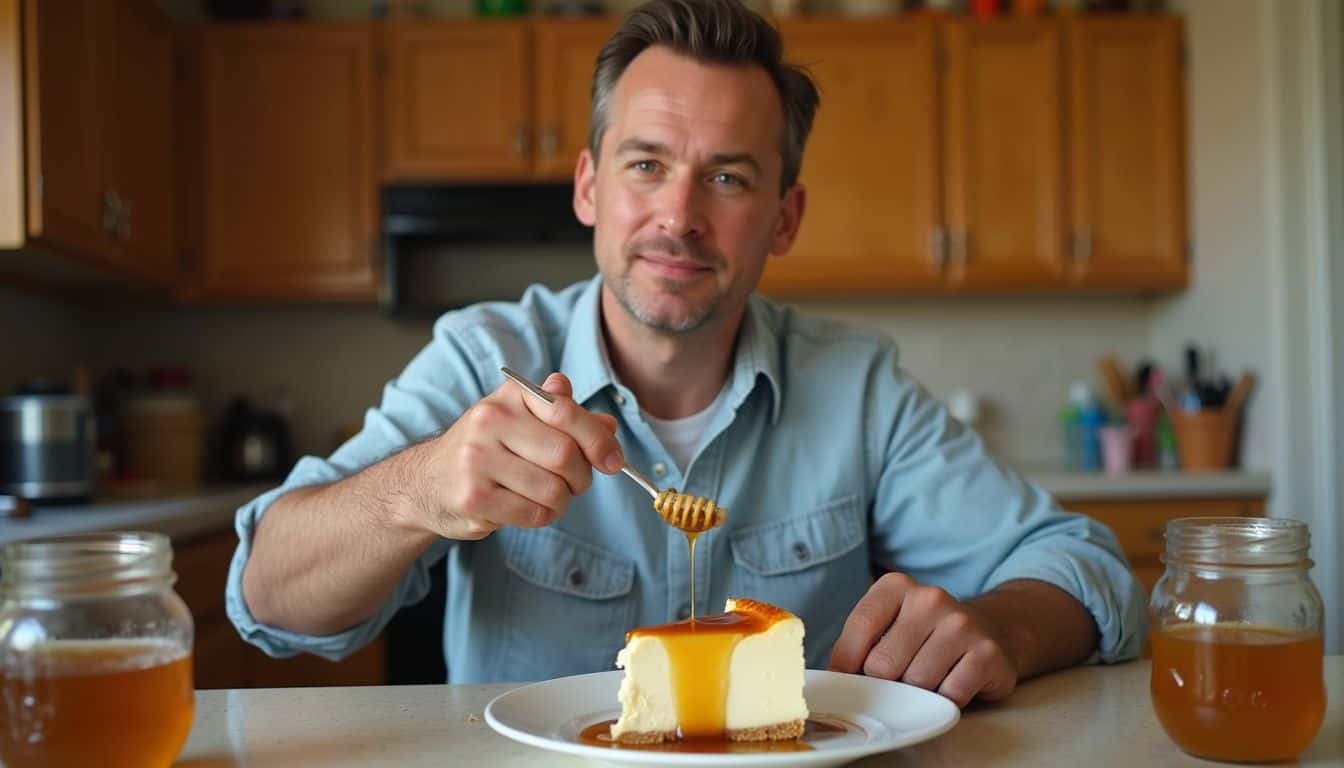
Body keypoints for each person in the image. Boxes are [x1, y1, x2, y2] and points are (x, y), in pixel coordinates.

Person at [226, 0, 1145, 707]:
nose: (678, 215)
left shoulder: (859, 388)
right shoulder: (480, 357)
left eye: (729, 177)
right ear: (589, 187)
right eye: (646, 164)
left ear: (784, 219)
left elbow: (1089, 567)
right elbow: (267, 595)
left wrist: (997, 628)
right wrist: (417, 487)